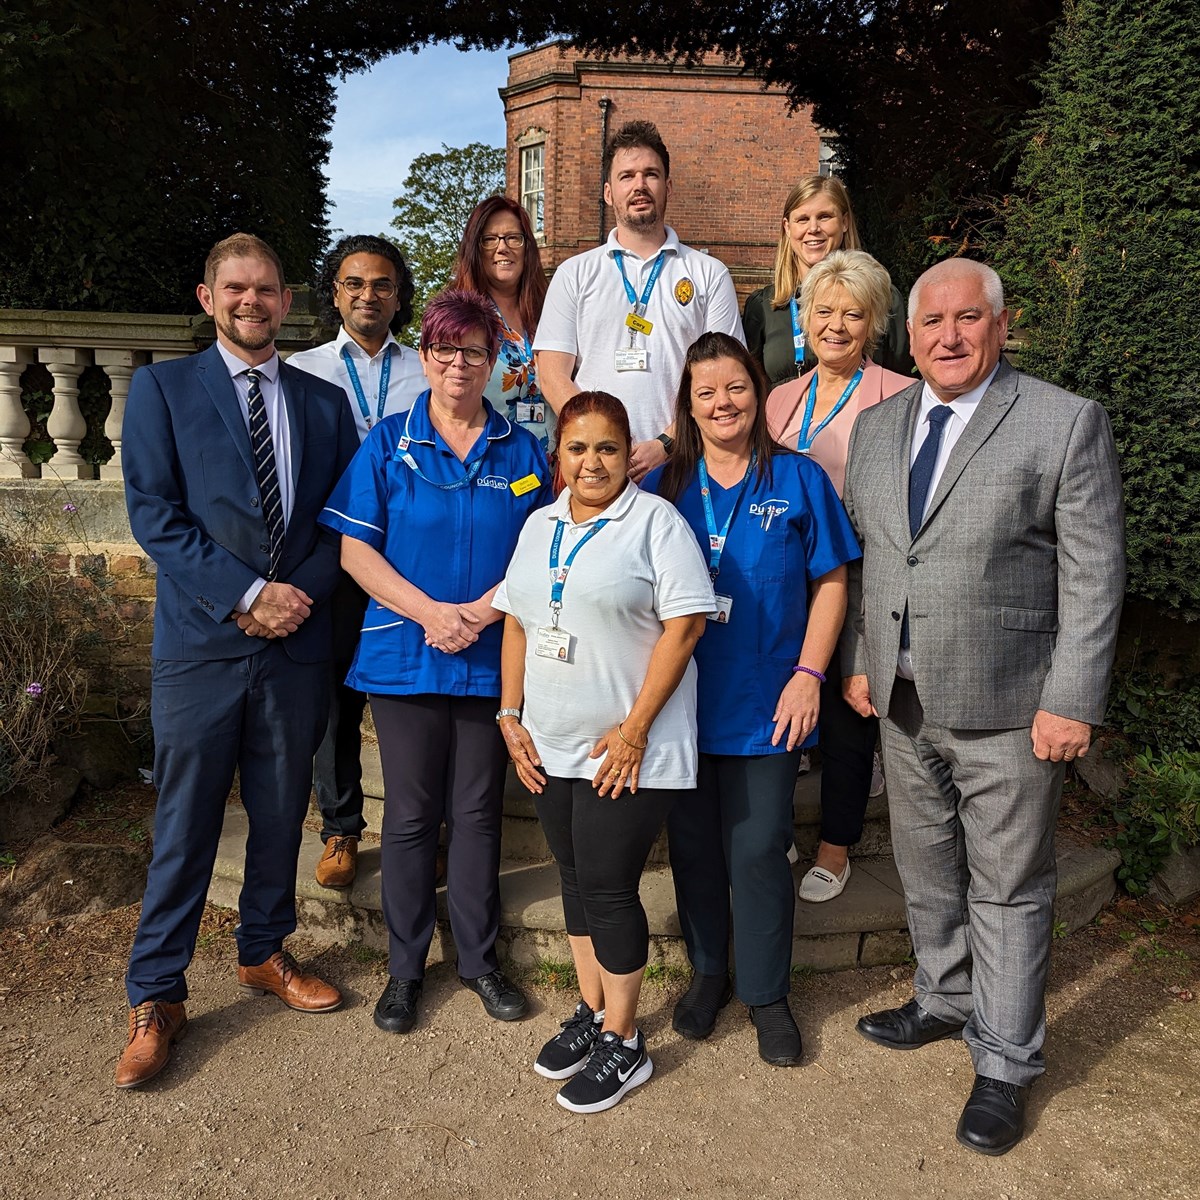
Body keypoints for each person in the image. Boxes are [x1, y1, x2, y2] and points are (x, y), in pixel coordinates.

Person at [840, 258, 1125, 1156]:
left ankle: (1005, 1063)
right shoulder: (880, 426)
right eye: (932, 324)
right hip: (902, 699)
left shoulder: (1060, 421)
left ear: (1000, 327)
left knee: (1007, 888)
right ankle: (944, 997)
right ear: (910, 335)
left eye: (968, 320)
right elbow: (871, 561)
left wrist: (1072, 698)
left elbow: (1094, 573)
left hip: (1012, 706)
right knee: (925, 866)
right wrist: (859, 659)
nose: (949, 338)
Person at [115, 232, 359, 1089]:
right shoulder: (163, 388)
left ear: (287, 302)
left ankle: (263, 951)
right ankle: (156, 993)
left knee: (281, 810)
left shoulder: (324, 404)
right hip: (202, 648)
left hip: (294, 647)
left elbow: (344, 524)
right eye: (236, 289)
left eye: (266, 290)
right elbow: (154, 514)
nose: (252, 302)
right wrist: (249, 595)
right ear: (208, 296)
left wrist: (296, 598)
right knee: (184, 824)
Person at [318, 289, 552, 1036]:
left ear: (494, 362)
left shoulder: (523, 453)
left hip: (491, 657)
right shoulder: (388, 443)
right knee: (413, 817)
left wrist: (480, 614)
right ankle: (405, 969)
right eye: (445, 349)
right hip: (404, 654)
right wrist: (431, 615)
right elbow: (356, 550)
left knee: (480, 814)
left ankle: (480, 963)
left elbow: (545, 550)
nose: (458, 363)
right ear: (426, 358)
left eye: (474, 351)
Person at [494, 392, 714, 1113]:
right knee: (574, 877)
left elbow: (685, 629)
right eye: (578, 448)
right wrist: (509, 712)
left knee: (611, 885)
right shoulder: (538, 524)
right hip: (547, 742)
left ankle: (626, 1039)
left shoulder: (656, 523)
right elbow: (520, 623)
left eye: (608, 449)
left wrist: (634, 730)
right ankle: (592, 1014)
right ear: (557, 454)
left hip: (625, 749)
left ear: (630, 456)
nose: (592, 462)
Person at [646, 332, 860, 1066]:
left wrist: (809, 675)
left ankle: (767, 993)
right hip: (680, 704)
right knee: (697, 851)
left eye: (734, 387)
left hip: (771, 701)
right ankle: (709, 975)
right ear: (688, 405)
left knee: (762, 850)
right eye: (705, 392)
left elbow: (831, 582)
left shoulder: (798, 480)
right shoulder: (663, 488)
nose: (722, 402)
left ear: (757, 394)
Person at [765, 250, 914, 903]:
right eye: (824, 310)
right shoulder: (777, 399)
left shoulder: (902, 397)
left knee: (849, 713)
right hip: (782, 584)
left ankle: (836, 849)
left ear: (873, 322)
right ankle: (775, 828)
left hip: (858, 582)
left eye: (852, 314)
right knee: (775, 712)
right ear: (805, 317)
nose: (836, 325)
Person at [289, 235, 428, 889]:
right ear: (335, 292)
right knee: (335, 702)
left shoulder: (427, 369)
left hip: (408, 559)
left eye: (381, 284)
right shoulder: (301, 371)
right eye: (354, 283)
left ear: (399, 295)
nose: (367, 294)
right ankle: (341, 830)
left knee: (416, 699)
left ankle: (424, 830)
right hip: (333, 555)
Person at [534, 119, 744, 483]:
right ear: (608, 192)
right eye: (626, 176)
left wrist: (666, 442)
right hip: (593, 473)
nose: (639, 185)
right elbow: (552, 376)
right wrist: (602, 446)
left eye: (651, 174)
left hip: (684, 466)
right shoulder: (574, 273)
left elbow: (727, 377)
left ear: (668, 187)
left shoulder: (709, 274)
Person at [743, 176, 912, 390]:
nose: (813, 228)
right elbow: (750, 389)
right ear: (787, 227)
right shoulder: (764, 306)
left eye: (824, 217)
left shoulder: (883, 298)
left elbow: (901, 384)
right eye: (802, 219)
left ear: (844, 222)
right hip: (784, 421)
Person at [450, 196, 551, 451]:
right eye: (489, 239)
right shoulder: (456, 317)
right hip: (490, 467)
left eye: (513, 238)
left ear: (527, 246)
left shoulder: (551, 309)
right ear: (475, 248)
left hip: (557, 470)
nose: (502, 248)